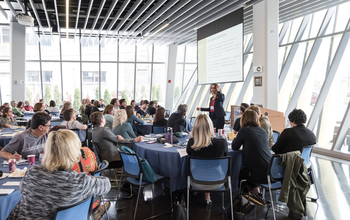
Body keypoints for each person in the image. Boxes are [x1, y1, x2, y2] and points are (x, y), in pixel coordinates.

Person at [6, 129, 111, 220]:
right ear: (75, 153)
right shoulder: (79, 182)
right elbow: (107, 184)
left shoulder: (31, 173)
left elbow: (22, 190)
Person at [187, 114, 228, 205]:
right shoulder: (222, 143)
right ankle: (207, 196)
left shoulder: (191, 143)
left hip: (195, 181)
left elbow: (189, 154)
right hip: (218, 181)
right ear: (211, 126)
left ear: (195, 127)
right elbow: (224, 157)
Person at [231, 110, 272, 194]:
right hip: (270, 171)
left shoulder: (244, 131)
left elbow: (234, 147)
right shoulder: (262, 131)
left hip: (257, 173)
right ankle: (256, 193)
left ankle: (247, 201)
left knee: (238, 172)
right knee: (251, 168)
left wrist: (236, 136)